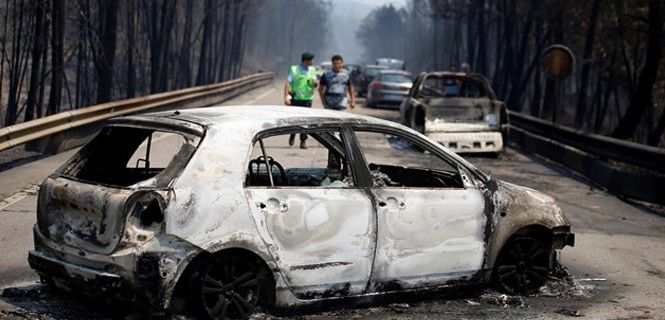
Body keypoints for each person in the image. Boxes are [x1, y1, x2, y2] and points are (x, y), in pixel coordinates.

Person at [284, 52, 318, 149]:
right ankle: (292, 135)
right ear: (306, 61)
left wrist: (315, 83)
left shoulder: (312, 70)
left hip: (307, 99)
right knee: (294, 120)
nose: (312, 62)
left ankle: (303, 141)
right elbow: (288, 83)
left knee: (306, 121)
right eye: (311, 60)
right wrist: (286, 97)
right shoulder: (294, 69)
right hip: (295, 99)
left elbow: (315, 84)